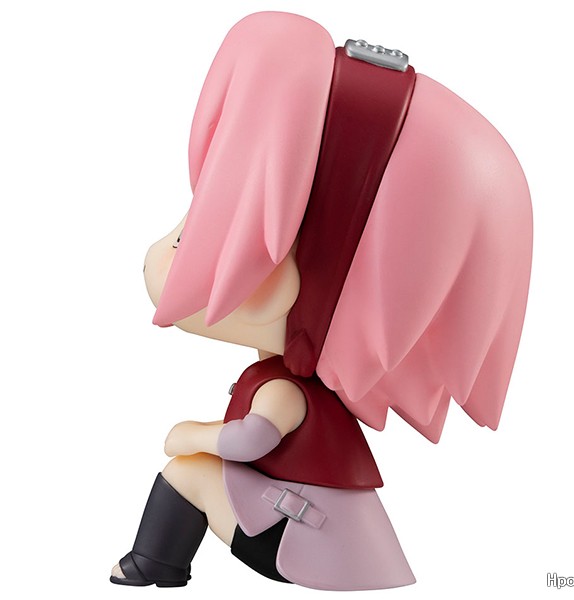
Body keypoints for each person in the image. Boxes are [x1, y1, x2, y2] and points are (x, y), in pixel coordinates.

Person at [110, 11, 533, 591]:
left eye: (196, 234)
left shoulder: (285, 391)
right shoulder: (284, 377)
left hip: (303, 544)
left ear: (274, 280)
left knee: (187, 472)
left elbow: (249, 441)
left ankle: (153, 564)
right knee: (193, 472)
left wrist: (191, 433)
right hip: (302, 526)